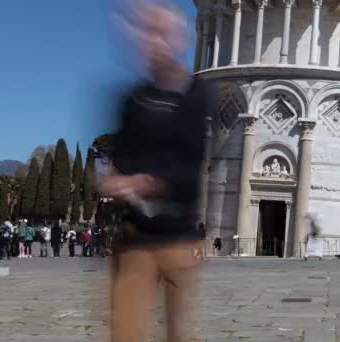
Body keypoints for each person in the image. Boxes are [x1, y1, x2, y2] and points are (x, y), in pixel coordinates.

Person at [99, 3, 217, 341]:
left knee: (179, 333)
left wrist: (146, 181)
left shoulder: (198, 95)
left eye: (159, 32)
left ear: (179, 38)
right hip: (135, 236)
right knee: (124, 331)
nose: (150, 41)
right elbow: (120, 153)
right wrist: (111, 178)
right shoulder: (132, 99)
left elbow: (193, 167)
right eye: (143, 32)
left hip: (179, 239)